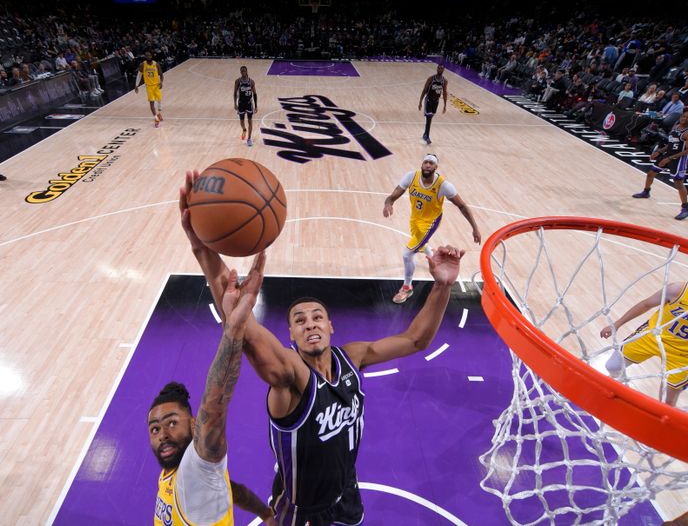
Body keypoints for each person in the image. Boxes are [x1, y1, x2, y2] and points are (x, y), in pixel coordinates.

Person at [179, 171, 465, 525]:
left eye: (317, 317)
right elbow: (243, 324)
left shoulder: (353, 357)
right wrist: (201, 247)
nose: (310, 323)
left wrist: (442, 287)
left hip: (347, 493)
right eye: (300, 321)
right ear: (291, 336)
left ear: (331, 327)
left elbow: (415, 340)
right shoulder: (289, 376)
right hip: (300, 512)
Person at [148, 253, 275, 525]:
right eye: (155, 428)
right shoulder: (180, 471)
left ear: (195, 425)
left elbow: (214, 405)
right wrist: (265, 513)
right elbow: (231, 489)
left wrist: (235, 325)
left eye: (172, 423)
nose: (162, 435)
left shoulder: (197, 467)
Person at [382, 153, 481, 303]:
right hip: (415, 218)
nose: (428, 165)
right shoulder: (411, 177)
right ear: (422, 164)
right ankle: (429, 252)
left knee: (407, 254)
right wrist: (388, 203)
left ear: (436, 167)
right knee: (419, 242)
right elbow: (393, 195)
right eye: (426, 162)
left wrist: (475, 228)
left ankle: (407, 288)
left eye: (431, 163)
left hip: (430, 223)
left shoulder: (444, 186)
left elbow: (462, 206)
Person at [601, 281, 688, 406]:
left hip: (682, 355)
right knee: (613, 366)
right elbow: (646, 304)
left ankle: (661, 423)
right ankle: (613, 382)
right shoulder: (678, 290)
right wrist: (617, 324)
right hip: (651, 337)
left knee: (666, 402)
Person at [631, 109, 688, 221]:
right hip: (668, 155)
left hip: (679, 159)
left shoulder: (687, 132)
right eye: (684, 116)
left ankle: (685, 208)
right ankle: (646, 192)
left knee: (678, 184)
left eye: (687, 118)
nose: (684, 118)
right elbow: (670, 144)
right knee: (650, 173)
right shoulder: (675, 127)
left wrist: (668, 159)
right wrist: (659, 152)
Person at [418, 63, 447, 144]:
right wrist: (420, 102)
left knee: (430, 118)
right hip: (428, 100)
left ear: (443, 70)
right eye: (439, 68)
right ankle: (427, 136)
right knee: (429, 117)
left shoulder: (444, 81)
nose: (440, 70)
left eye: (441, 68)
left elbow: (444, 93)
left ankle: (425, 134)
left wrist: (445, 105)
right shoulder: (431, 79)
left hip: (436, 101)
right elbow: (424, 90)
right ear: (437, 69)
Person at [135, 51, 164, 127]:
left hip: (156, 85)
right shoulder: (142, 65)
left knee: (159, 101)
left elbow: (161, 75)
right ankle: (156, 118)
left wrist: (161, 82)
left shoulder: (156, 64)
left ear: (151, 56)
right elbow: (139, 75)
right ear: (145, 57)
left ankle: (159, 113)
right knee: (151, 103)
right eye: (146, 56)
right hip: (149, 86)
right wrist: (136, 85)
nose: (148, 57)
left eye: (149, 55)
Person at [234, 65, 257, 147]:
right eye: (242, 71)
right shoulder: (237, 81)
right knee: (241, 121)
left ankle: (249, 139)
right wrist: (235, 103)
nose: (243, 72)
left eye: (244, 70)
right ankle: (244, 129)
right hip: (241, 103)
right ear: (240, 72)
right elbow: (235, 93)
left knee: (250, 121)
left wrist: (256, 106)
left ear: (247, 71)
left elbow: (254, 94)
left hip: (249, 103)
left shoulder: (251, 82)